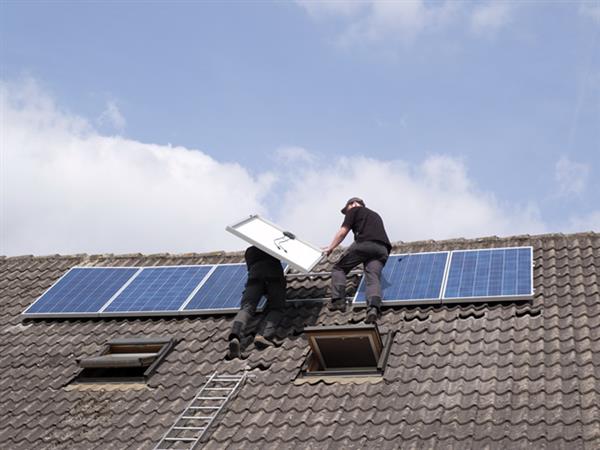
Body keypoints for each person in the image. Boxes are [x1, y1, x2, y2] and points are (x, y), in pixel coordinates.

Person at [323, 197, 391, 323]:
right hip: (383, 249)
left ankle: (338, 301)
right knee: (373, 276)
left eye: (347, 208)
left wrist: (330, 248)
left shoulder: (354, 210)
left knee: (339, 268)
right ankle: (373, 308)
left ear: (353, 204)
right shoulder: (375, 215)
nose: (347, 211)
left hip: (365, 243)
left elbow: (343, 232)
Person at [227, 246, 286, 359]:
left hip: (254, 275)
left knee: (246, 308)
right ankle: (263, 335)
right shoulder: (274, 246)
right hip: (273, 274)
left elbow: (250, 269)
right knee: (277, 308)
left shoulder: (250, 251)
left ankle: (236, 335)